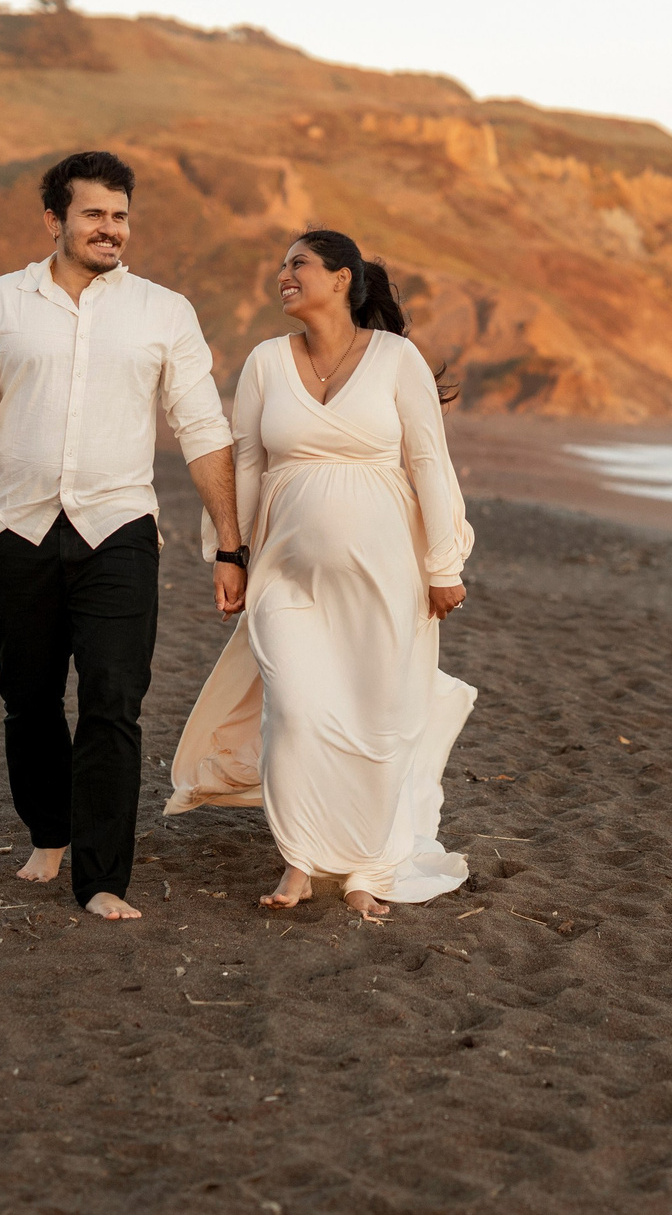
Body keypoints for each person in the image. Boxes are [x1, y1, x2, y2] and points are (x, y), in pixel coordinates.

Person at [0, 150, 248, 923]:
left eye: (121, 215)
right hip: (14, 526)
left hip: (120, 530)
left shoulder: (163, 312)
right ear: (55, 220)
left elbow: (201, 427)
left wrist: (230, 542)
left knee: (113, 698)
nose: (111, 229)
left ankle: (103, 877)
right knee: (29, 698)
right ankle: (49, 830)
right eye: (95, 214)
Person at [164, 230, 475, 920]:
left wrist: (444, 562)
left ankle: (365, 865)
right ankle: (301, 858)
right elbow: (245, 463)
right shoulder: (267, 362)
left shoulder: (397, 359)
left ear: (342, 277)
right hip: (285, 573)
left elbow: (429, 462)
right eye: (282, 265)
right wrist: (230, 550)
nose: (283, 275)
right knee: (297, 712)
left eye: (297, 263)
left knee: (376, 716)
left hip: (386, 574)